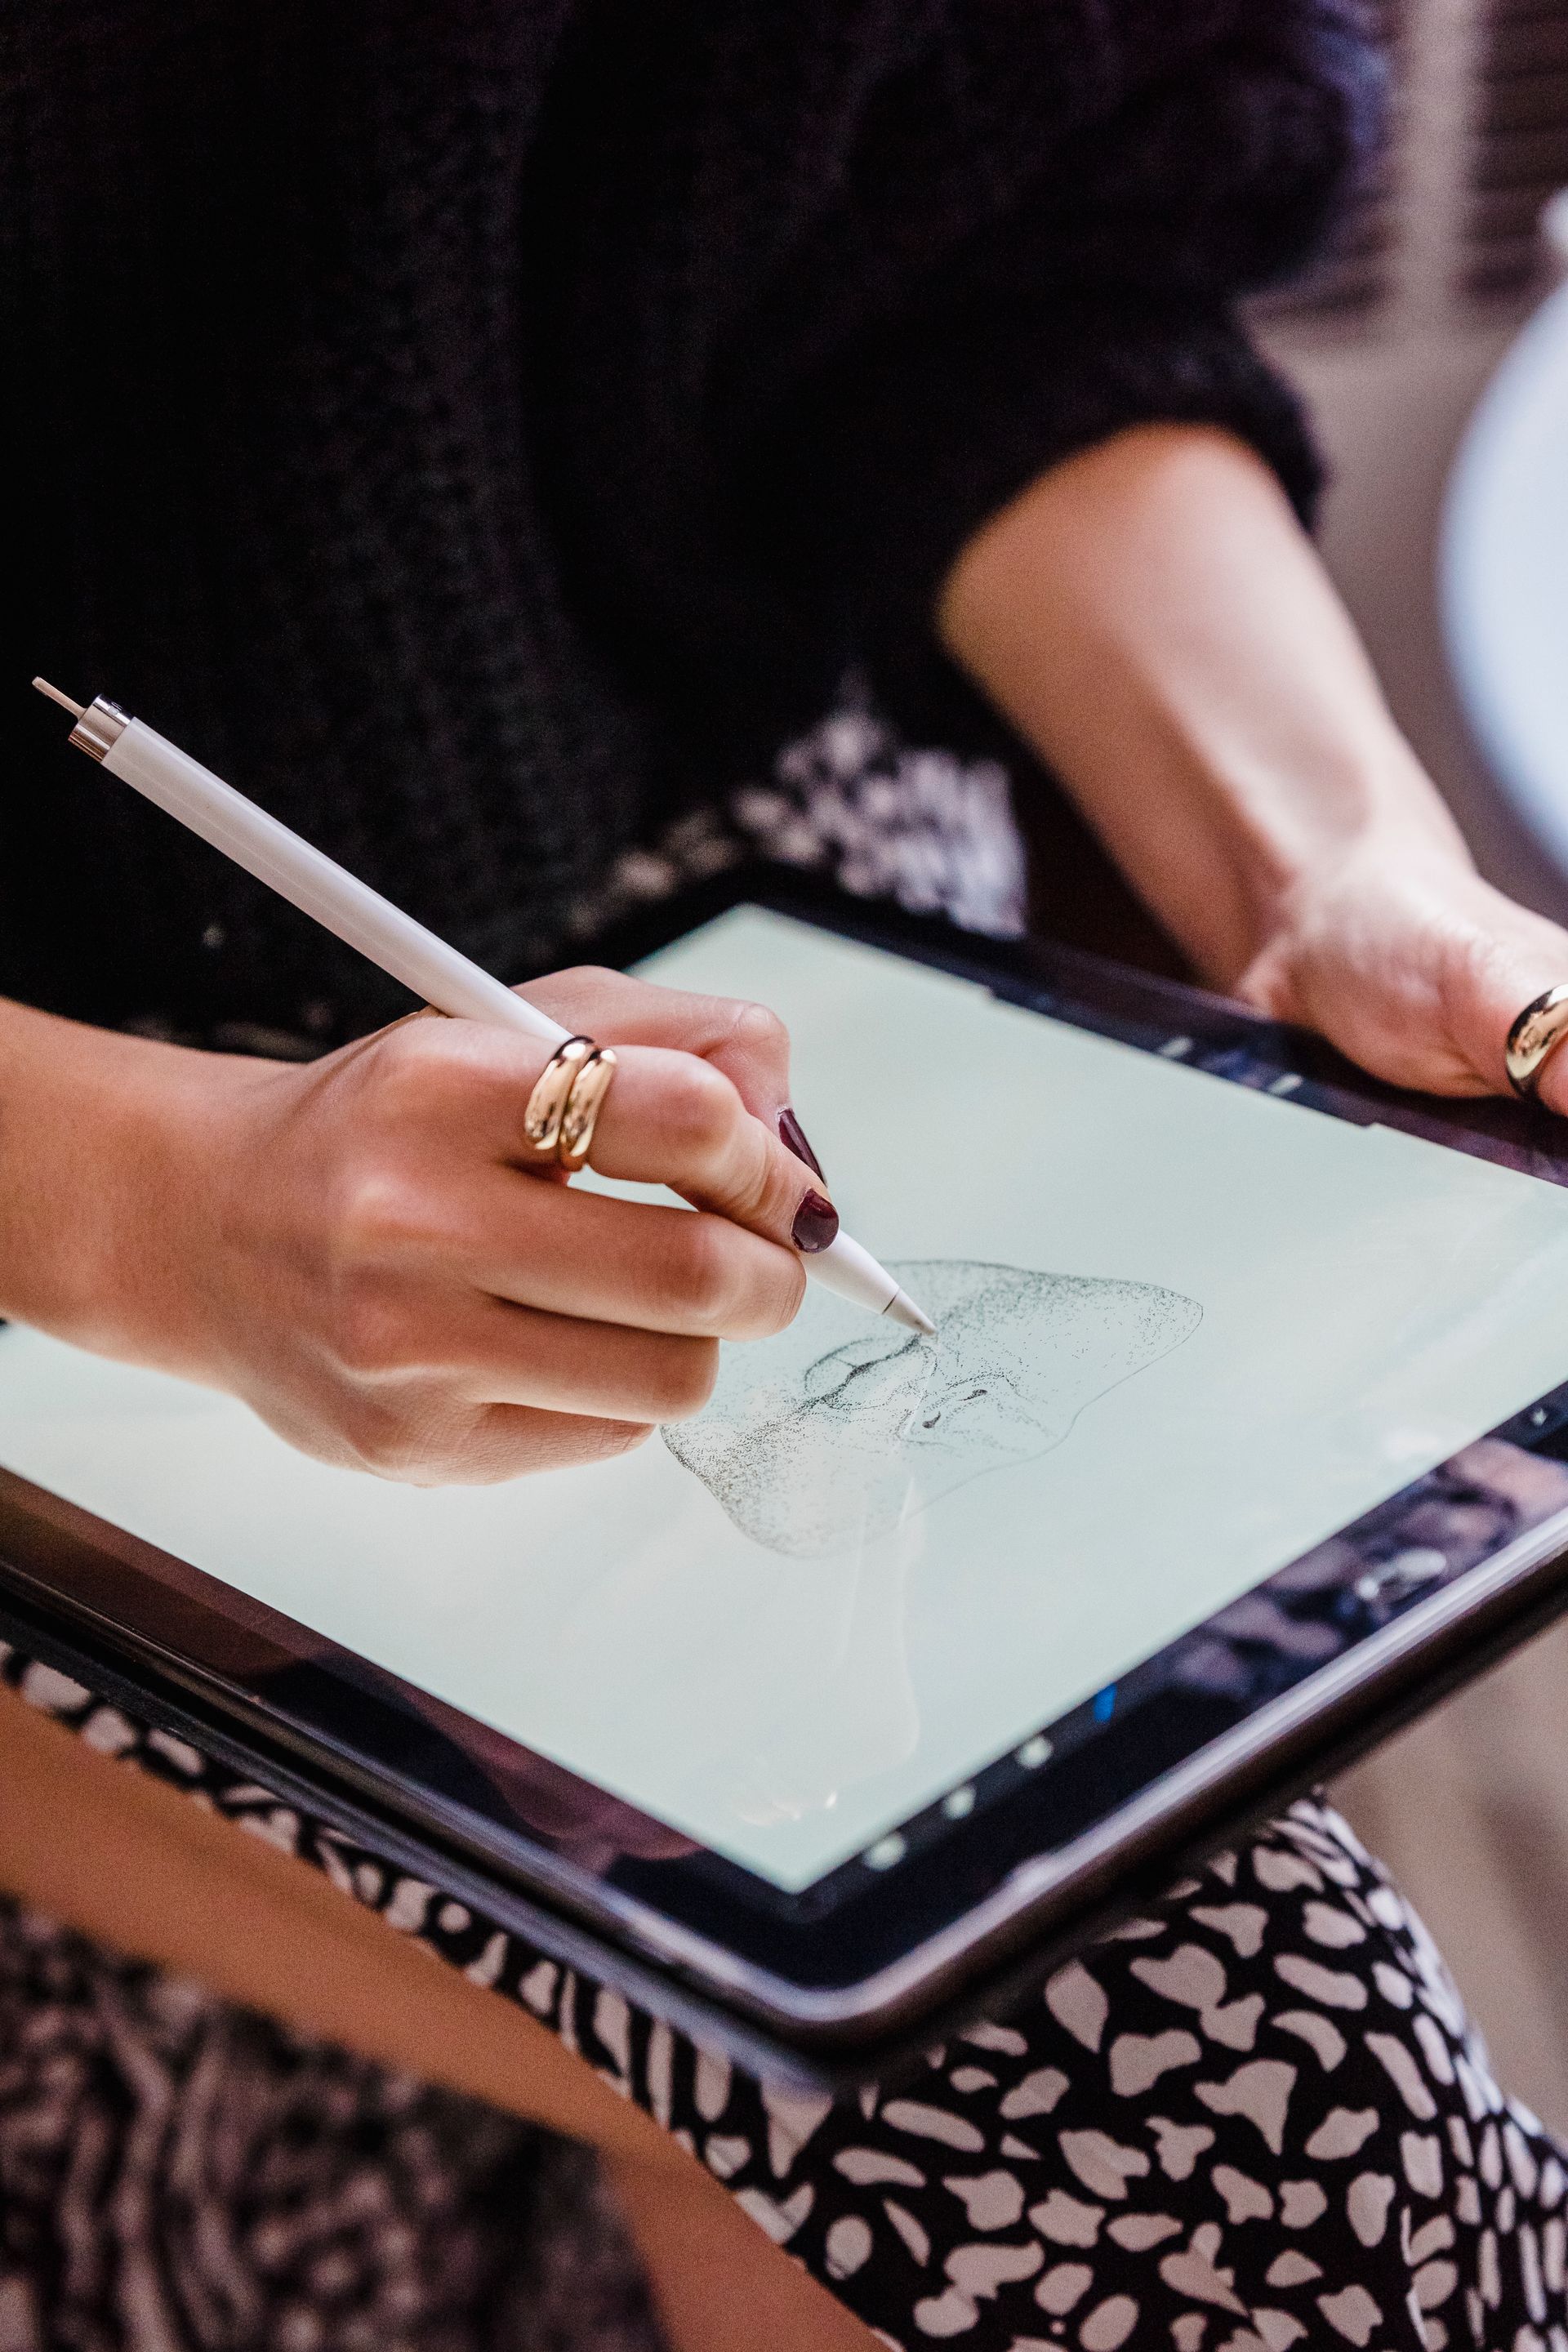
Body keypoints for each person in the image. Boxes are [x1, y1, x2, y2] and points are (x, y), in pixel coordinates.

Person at [6, 3, 1568, 2346]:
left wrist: (1328, 868)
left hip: (695, 796)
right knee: (1180, 2129)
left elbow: (1007, 240)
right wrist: (156, 1207)